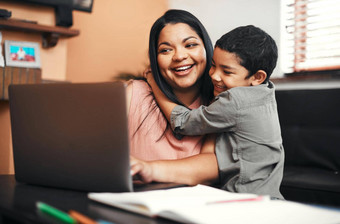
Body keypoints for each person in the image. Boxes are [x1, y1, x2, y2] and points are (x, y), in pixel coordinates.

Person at [144, 25, 284, 199]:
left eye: (226, 71)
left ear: (257, 77)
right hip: (270, 196)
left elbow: (183, 122)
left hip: (244, 200)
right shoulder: (266, 92)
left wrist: (154, 83)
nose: (214, 76)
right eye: (213, 65)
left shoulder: (236, 100)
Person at [127, 9, 219, 185]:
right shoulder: (132, 94)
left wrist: (149, 168)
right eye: (166, 50)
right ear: (155, 58)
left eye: (190, 45)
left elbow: (213, 165)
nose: (179, 56)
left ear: (206, 48)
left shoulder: (221, 102)